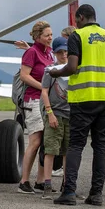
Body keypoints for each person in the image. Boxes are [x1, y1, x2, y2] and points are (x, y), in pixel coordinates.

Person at [50, 4, 105, 206]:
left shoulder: (77, 36)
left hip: (83, 98)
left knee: (76, 145)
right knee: (101, 145)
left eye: (76, 19)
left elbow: (71, 67)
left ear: (80, 18)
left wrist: (56, 73)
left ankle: (69, 191)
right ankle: (96, 194)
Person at [18, 21, 53, 194]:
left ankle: (40, 180)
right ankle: (24, 180)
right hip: (33, 100)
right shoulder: (32, 52)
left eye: (51, 35)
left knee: (46, 141)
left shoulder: (50, 53)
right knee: (35, 140)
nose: (50, 38)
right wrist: (42, 86)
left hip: (46, 100)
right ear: (38, 36)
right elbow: (24, 76)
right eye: (47, 35)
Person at [39, 36, 70, 199]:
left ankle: (66, 184)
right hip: (55, 113)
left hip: (70, 115)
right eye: (60, 52)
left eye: (66, 51)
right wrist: (50, 113)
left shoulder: (74, 69)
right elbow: (44, 91)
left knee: (67, 151)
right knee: (50, 150)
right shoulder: (50, 70)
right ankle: (47, 184)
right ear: (54, 53)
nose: (64, 55)